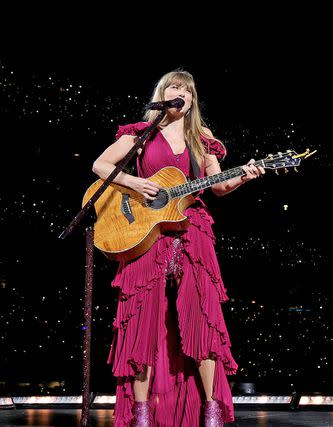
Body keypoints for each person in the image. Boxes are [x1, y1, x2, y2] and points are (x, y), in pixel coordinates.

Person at [92, 69, 265, 426]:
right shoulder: (140, 134)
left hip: (192, 229)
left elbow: (217, 186)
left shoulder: (203, 139)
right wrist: (135, 183)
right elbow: (101, 165)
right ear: (163, 94)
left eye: (186, 90)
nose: (179, 93)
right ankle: (141, 414)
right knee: (140, 318)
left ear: (192, 100)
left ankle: (212, 410)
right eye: (173, 87)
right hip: (144, 232)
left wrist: (243, 176)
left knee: (202, 315)